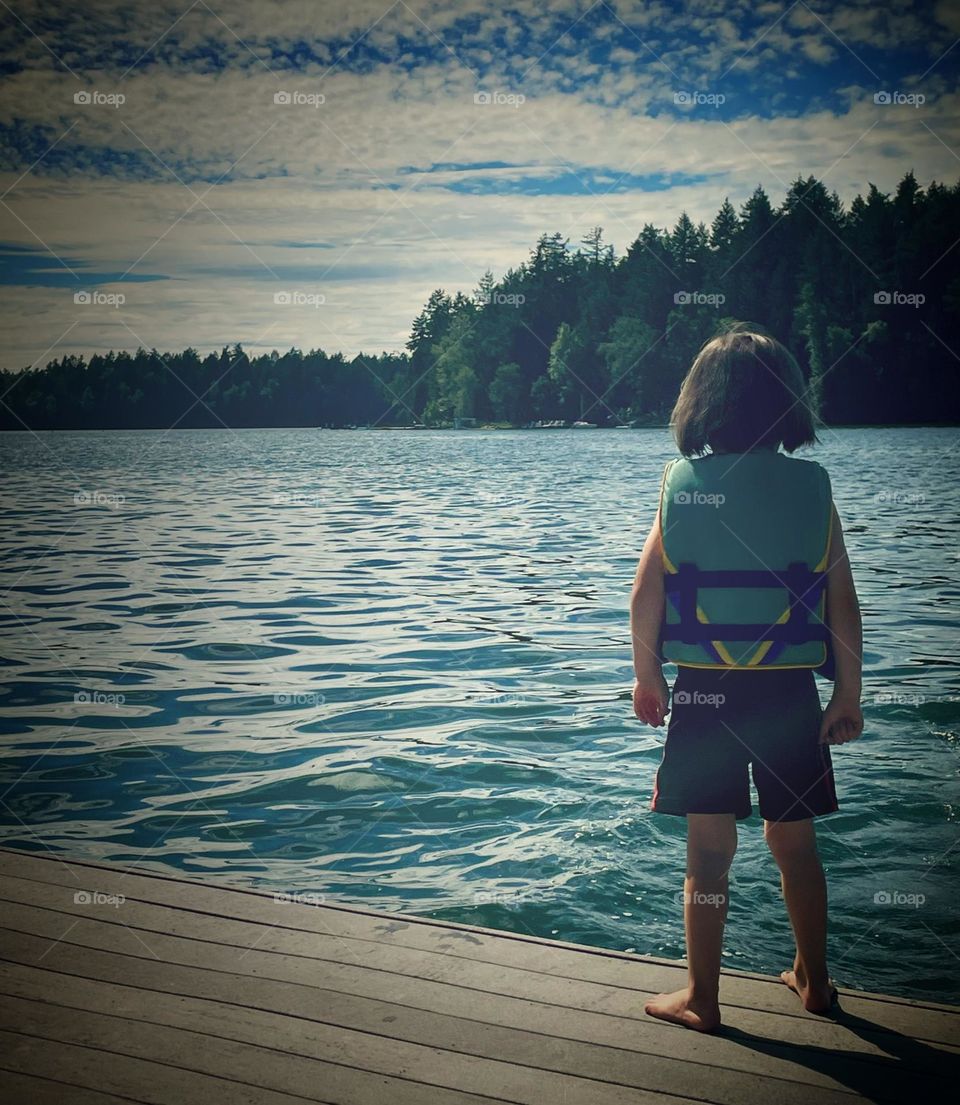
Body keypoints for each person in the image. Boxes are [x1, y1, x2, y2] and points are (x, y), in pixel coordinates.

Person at [629, 322, 864, 1034]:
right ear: (789, 403)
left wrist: (648, 678)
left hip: (704, 691)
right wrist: (848, 694)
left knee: (708, 850)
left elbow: (644, 597)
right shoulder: (812, 489)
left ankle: (702, 995)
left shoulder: (683, 488)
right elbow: (843, 604)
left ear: (699, 404)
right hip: (788, 694)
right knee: (795, 845)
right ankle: (814, 979)